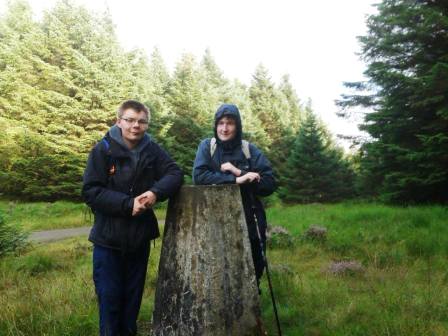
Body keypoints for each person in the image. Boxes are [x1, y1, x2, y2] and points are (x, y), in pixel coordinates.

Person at [82, 100, 183, 336]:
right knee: (110, 302)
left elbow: (175, 173)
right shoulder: (103, 150)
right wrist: (128, 205)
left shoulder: (152, 150)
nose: (135, 126)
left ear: (146, 124)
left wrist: (155, 192)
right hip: (108, 242)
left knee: (132, 304)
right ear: (119, 121)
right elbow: (91, 191)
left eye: (141, 121)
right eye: (129, 120)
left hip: (139, 241)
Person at [192, 103, 275, 292]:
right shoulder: (207, 147)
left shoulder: (249, 150)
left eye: (230, 123)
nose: (224, 128)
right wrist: (236, 179)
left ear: (237, 126)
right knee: (217, 263)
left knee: (254, 261)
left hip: (250, 217)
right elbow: (200, 177)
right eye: (220, 123)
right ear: (215, 125)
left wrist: (240, 170)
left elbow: (269, 183)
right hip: (214, 217)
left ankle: (252, 304)